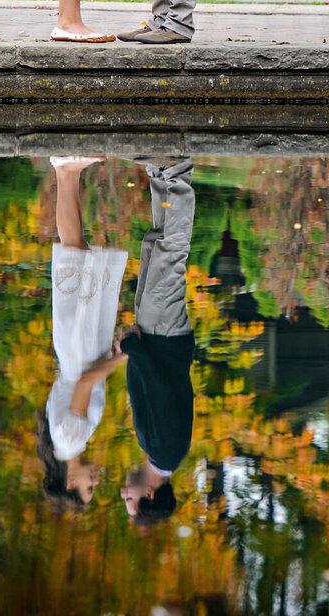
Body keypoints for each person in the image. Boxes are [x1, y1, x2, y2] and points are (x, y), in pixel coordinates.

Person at [35, 156, 128, 511]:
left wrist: (122, 357)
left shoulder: (71, 439)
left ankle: (65, 170)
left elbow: (86, 382)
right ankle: (68, 172)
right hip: (77, 349)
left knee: (75, 254)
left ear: (70, 482)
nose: (95, 482)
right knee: (77, 254)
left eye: (88, 489)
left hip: (81, 351)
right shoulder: (64, 441)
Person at [118, 158, 196, 523]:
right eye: (129, 501)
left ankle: (159, 174)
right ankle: (177, 171)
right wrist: (134, 351)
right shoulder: (165, 450)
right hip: (163, 338)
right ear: (150, 494)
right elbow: (162, 390)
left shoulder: (159, 452)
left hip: (157, 337)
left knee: (153, 248)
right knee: (169, 255)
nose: (123, 493)